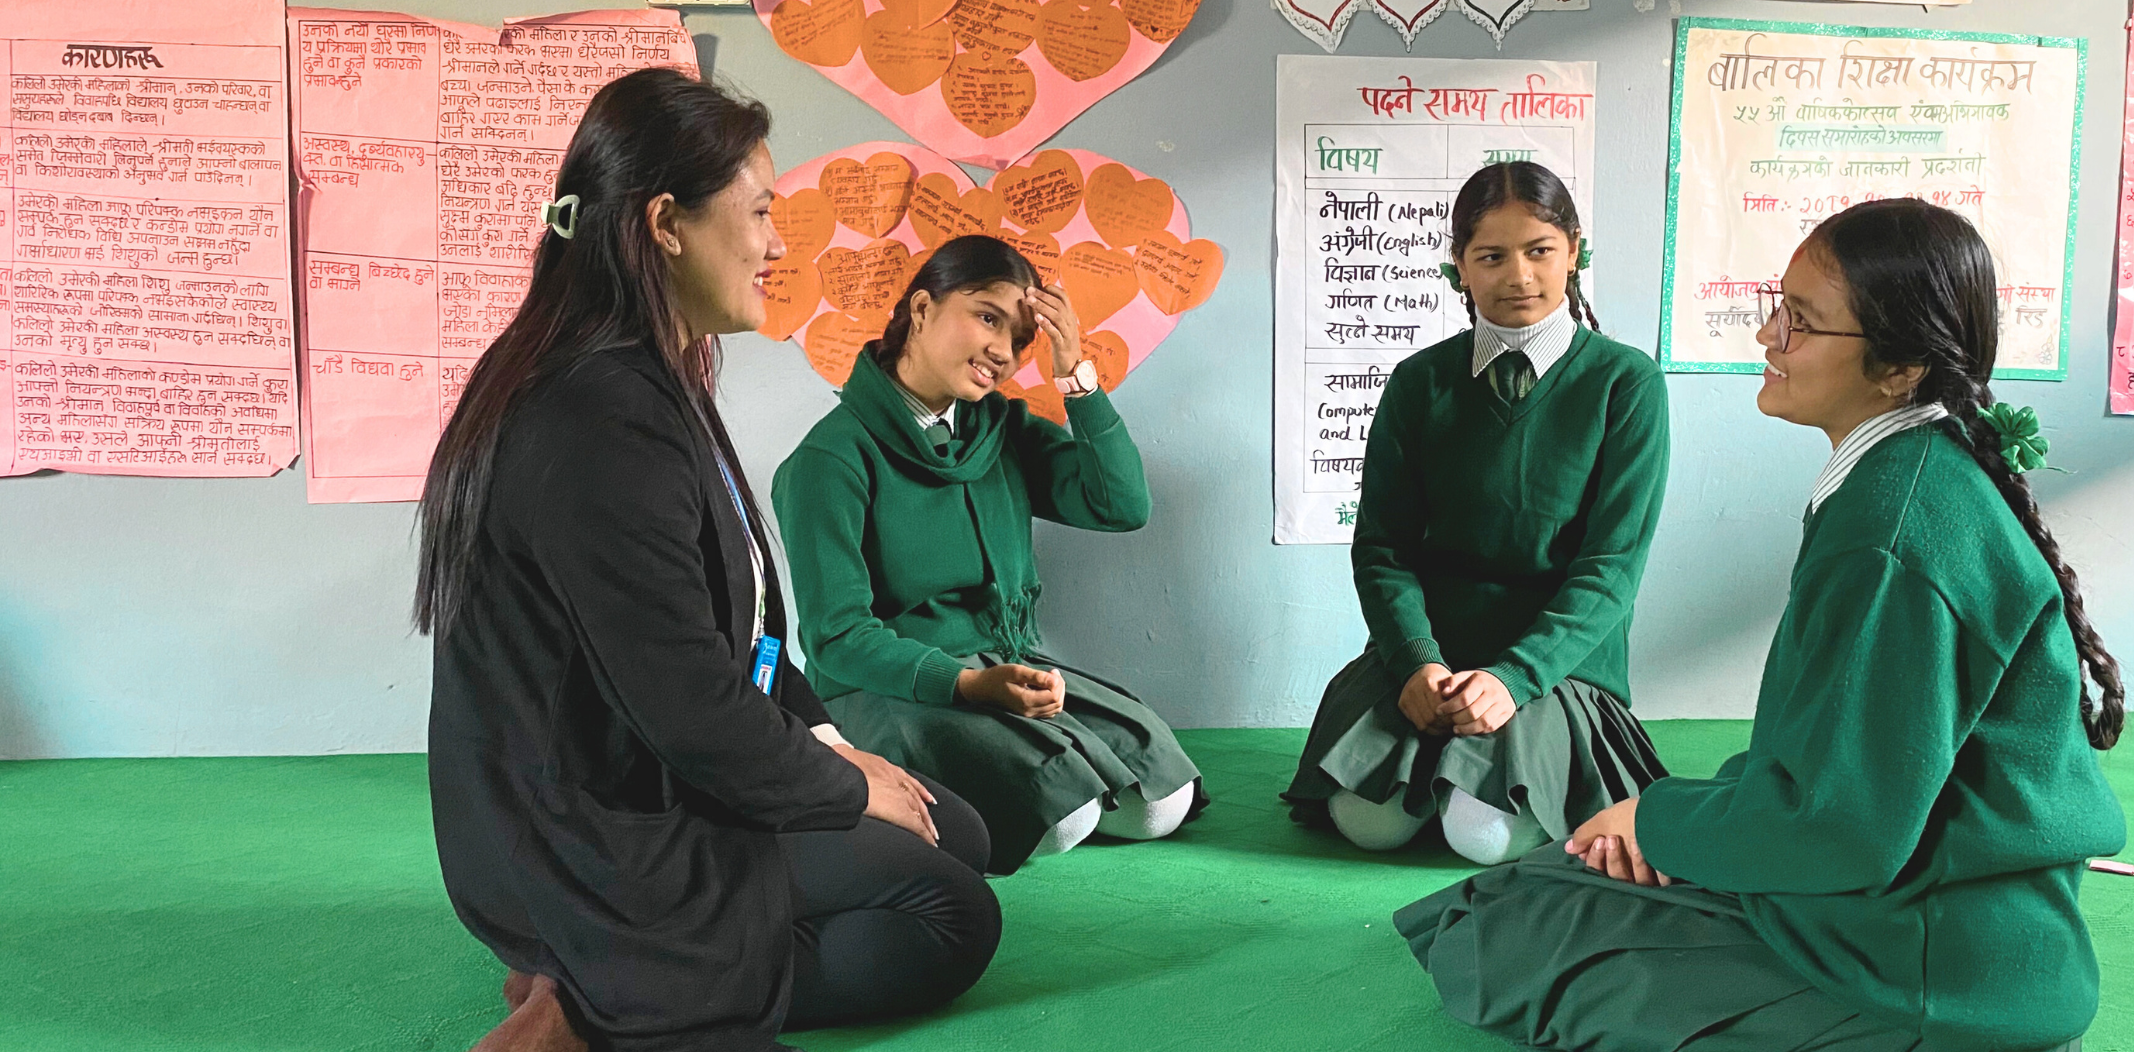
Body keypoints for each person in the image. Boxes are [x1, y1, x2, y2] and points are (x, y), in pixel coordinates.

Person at [1394, 198, 2127, 1052]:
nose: (1767, 337)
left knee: (1502, 928)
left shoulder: (1892, 531)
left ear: (1898, 368)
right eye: (1776, 307)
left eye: (1803, 322)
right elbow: (1829, 761)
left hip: (1924, 969)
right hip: (1921, 920)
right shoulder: (1905, 478)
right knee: (1538, 881)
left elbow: (1843, 831)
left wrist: (1658, 823)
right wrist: (1668, 813)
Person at [418, 68, 1001, 1052]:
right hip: (595, 831)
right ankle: (599, 992)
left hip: (649, 772)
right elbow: (689, 707)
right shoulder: (597, 416)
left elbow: (744, 639)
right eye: (761, 211)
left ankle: (609, 966)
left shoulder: (643, 376)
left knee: (960, 832)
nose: (779, 242)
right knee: (949, 916)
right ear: (665, 224)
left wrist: (831, 751)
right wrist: (848, 789)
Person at [772, 236, 1202, 874]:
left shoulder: (1002, 430)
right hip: (889, 687)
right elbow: (836, 639)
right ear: (921, 310)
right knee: (1064, 817)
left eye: (1021, 338)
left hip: (1006, 666)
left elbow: (1121, 506)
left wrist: (1074, 373)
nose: (1003, 352)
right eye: (987, 317)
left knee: (1163, 800)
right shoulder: (828, 461)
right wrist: (967, 685)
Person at [1283, 161, 1672, 867]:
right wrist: (1416, 664)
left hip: (1553, 666)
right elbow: (1383, 550)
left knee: (1484, 838)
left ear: (1575, 250)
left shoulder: (1626, 383)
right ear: (1458, 265)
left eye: (1540, 250)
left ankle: (1466, 780)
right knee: (1367, 825)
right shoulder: (1418, 382)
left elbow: (1611, 569)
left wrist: (1513, 678)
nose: (1518, 275)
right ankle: (1439, 769)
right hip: (1429, 660)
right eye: (1491, 256)